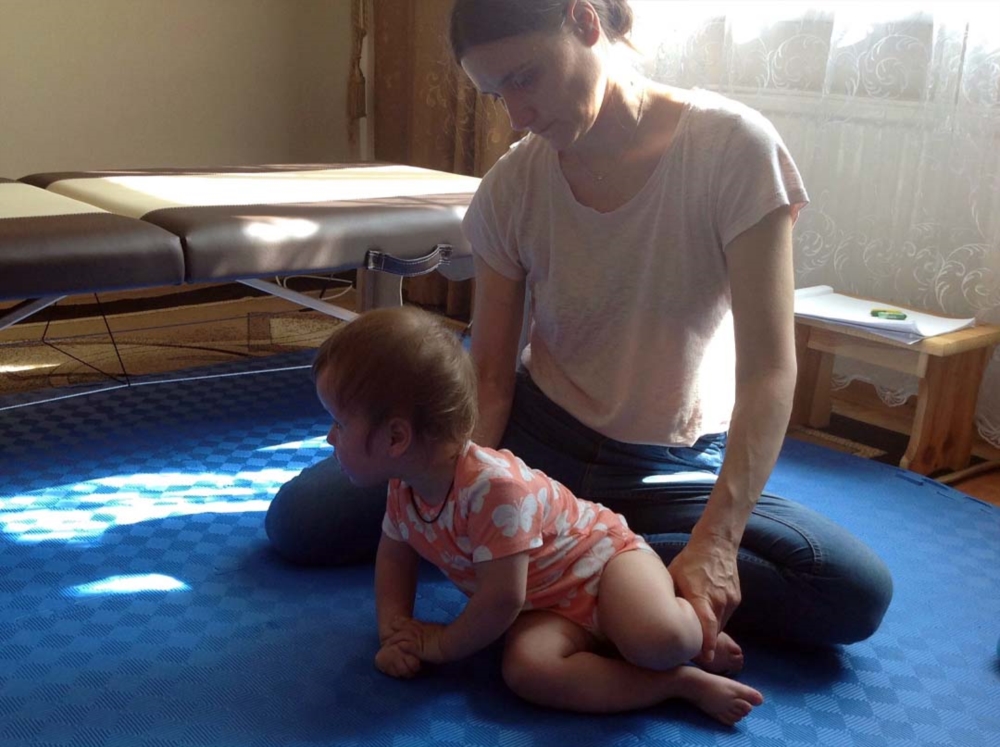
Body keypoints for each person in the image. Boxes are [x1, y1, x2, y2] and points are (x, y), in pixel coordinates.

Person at [265, 0, 893, 664]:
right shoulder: (513, 184)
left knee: (852, 591)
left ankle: (584, 569)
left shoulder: (734, 149)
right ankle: (596, 579)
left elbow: (769, 371)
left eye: (526, 77)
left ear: (586, 22)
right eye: (496, 93)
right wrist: (462, 497)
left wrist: (717, 538)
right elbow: (490, 377)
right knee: (302, 521)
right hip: (538, 444)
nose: (518, 114)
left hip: (667, 467)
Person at [314, 305, 765, 723]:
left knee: (662, 639)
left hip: (602, 564)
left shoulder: (494, 489)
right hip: (541, 605)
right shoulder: (404, 486)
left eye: (339, 423)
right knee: (528, 672)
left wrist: (441, 644)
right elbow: (395, 557)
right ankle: (676, 684)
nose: (331, 438)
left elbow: (500, 599)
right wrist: (396, 633)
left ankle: (693, 631)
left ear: (396, 438)